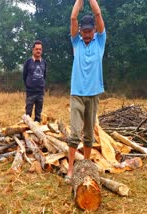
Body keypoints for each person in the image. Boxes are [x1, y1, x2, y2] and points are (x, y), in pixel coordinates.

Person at [66, 0, 106, 183]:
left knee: (89, 133)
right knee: (75, 133)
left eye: (91, 31)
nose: (88, 34)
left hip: (94, 94)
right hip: (77, 94)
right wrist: (80, 2)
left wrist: (91, 1)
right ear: (80, 31)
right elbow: (73, 17)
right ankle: (71, 170)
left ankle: (87, 166)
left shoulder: (100, 42)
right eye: (85, 31)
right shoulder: (77, 43)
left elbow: (98, 15)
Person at [23, 40, 47, 122]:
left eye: (40, 49)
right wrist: (28, 86)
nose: (38, 51)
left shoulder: (44, 63)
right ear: (33, 50)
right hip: (30, 92)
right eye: (36, 49)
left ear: (42, 50)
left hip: (40, 92)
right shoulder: (28, 62)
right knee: (28, 114)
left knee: (38, 114)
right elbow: (24, 76)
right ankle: (27, 130)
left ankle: (36, 131)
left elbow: (44, 75)